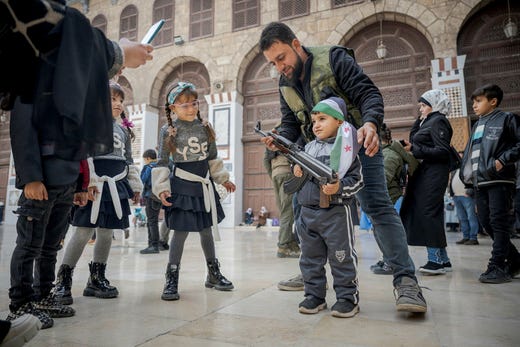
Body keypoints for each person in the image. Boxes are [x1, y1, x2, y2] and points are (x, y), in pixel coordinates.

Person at [2, 0, 152, 329]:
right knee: (29, 243)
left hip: (66, 182)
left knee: (51, 244)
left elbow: (80, 146)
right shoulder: (34, 78)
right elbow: (22, 129)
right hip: (40, 181)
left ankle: (43, 295)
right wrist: (30, 177)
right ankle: (20, 303)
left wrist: (81, 186)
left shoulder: (68, 90)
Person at [259, 21, 427, 313]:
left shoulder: (334, 59)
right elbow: (290, 124)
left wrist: (371, 124)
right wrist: (280, 139)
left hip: (358, 147)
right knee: (305, 211)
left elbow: (368, 94)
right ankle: (313, 275)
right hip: (314, 158)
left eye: (281, 57)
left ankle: (406, 281)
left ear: (296, 45)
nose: (279, 67)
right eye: (273, 62)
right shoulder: (284, 83)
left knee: (377, 207)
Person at [53, 82, 142, 305]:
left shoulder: (122, 129)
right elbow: (84, 155)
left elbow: (128, 160)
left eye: (121, 100)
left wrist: (135, 186)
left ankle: (97, 277)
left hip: (116, 185)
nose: (118, 104)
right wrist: (88, 181)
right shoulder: (90, 124)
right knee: (83, 230)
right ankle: (63, 279)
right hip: (95, 184)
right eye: (112, 99)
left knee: (107, 232)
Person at [152, 82, 236, 301]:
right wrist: (161, 188)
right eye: (184, 105)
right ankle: (171, 278)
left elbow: (213, 159)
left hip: (202, 187)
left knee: (206, 230)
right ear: (173, 109)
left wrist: (224, 179)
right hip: (181, 187)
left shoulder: (205, 127)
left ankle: (213, 274)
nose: (191, 109)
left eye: (194, 103)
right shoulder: (168, 130)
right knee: (179, 232)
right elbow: (161, 162)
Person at [293, 97, 363, 318]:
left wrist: (340, 187)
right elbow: (300, 180)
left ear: (340, 122)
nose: (316, 125)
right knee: (309, 257)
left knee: (341, 257)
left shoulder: (347, 151)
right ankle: (314, 295)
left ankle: (346, 298)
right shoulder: (308, 147)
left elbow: (358, 180)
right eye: (314, 120)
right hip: (307, 213)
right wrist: (297, 171)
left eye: (322, 119)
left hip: (336, 214)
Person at [459, 84, 520, 283]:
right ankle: (515, 260)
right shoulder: (477, 125)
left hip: (499, 179)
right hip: (480, 183)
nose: (474, 106)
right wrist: (468, 181)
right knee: (486, 222)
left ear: (493, 101)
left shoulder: (507, 119)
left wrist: (503, 159)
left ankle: (497, 265)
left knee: (498, 222)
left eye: (478, 101)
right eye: (473, 102)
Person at [400, 89, 454, 276]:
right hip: (424, 174)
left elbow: (443, 151)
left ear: (435, 105)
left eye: (423, 105)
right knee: (430, 212)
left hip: (434, 174)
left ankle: (435, 261)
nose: (420, 109)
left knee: (428, 212)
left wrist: (415, 148)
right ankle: (443, 259)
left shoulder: (439, 121)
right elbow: (418, 139)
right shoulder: (427, 121)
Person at [370, 123, 418, 275]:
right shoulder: (384, 152)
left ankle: (392, 263)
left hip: (387, 199)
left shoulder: (389, 155)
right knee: (380, 231)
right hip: (382, 199)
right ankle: (388, 259)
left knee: (386, 233)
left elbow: (382, 179)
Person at [263, 148, 300, 257]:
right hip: (287, 173)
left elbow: (265, 160)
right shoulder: (288, 134)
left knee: (284, 210)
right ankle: (283, 246)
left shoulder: (271, 140)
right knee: (287, 211)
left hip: (276, 174)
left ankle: (291, 243)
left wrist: (273, 174)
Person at [140, 149, 162, 254]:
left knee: (151, 222)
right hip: (158, 196)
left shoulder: (148, 167)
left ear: (148, 158)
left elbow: (143, 179)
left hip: (150, 196)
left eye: (144, 159)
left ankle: (153, 245)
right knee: (154, 221)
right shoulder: (160, 166)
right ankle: (154, 244)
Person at [450, 168, 479, 245]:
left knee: (471, 217)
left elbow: (474, 179)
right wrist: (452, 194)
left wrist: (470, 192)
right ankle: (466, 237)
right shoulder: (455, 169)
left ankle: (473, 238)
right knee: (462, 218)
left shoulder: (468, 166)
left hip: (467, 196)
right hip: (456, 196)